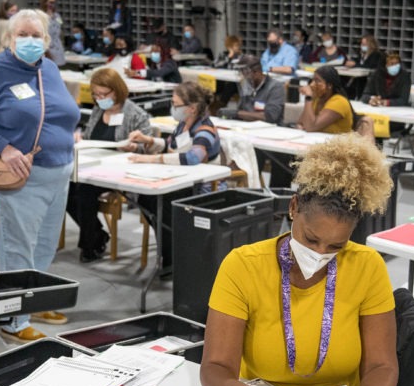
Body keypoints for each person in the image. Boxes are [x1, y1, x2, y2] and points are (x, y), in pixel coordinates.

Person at [201, 135, 397, 386]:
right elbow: (215, 370)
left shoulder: (368, 267)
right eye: (311, 238)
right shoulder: (243, 266)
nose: (319, 254)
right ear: (293, 208)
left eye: (336, 247)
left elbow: (382, 365)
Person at [0, 9, 81, 340]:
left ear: (47, 40)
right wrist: (3, 147)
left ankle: (33, 301)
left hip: (57, 174)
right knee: (17, 251)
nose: (29, 41)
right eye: (21, 35)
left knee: (43, 247)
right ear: (8, 39)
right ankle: (13, 322)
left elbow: (59, 112)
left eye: (35, 35)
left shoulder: (50, 69)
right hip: (17, 179)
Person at [125, 81, 221, 267]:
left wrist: (153, 159)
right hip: (178, 181)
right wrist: (148, 140)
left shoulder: (205, 130)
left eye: (176, 105)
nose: (172, 108)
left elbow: (194, 157)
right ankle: (170, 250)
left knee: (162, 204)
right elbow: (171, 147)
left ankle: (172, 255)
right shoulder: (182, 125)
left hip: (201, 187)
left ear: (191, 108)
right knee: (147, 199)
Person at [66, 68, 154, 262]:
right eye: (96, 95)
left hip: (120, 172)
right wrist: (79, 138)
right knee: (66, 188)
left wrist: (133, 148)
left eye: (104, 94)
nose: (99, 99)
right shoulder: (98, 110)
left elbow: (148, 148)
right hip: (95, 166)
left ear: (117, 90)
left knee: (84, 192)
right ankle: (96, 235)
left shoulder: (135, 114)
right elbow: (90, 138)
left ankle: (90, 244)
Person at [218, 55, 286, 125]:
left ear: (257, 73)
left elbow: (270, 116)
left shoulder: (275, 87)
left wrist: (237, 113)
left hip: (270, 130)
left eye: (246, 74)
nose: (244, 77)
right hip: (247, 127)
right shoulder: (247, 86)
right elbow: (242, 110)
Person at [298, 65, 354, 134]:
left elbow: (311, 127)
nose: (312, 84)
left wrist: (308, 97)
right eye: (312, 80)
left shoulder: (339, 101)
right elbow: (300, 123)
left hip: (336, 143)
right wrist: (300, 126)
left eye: (317, 81)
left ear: (329, 85)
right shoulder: (316, 99)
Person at [38, 0, 66, 66]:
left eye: (54, 2)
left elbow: (60, 30)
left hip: (58, 48)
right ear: (44, 2)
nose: (52, 4)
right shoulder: (40, 16)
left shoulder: (57, 16)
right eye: (50, 2)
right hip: (47, 49)